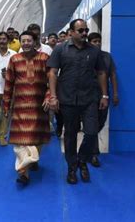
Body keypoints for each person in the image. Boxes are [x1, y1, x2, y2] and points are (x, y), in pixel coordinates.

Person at [48, 19, 108, 184]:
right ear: (71, 32)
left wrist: (104, 96)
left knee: (91, 132)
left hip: (89, 99)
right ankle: (72, 167)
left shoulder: (94, 51)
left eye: (86, 30)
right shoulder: (60, 49)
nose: (84, 33)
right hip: (67, 99)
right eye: (80, 31)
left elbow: (102, 73)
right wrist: (53, 96)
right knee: (70, 135)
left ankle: (82, 160)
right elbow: (52, 73)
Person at [3, 31, 51, 185]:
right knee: (21, 141)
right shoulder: (14, 59)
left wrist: (49, 96)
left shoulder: (44, 58)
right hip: (20, 106)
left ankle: (33, 159)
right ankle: (24, 172)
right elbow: (9, 83)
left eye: (28, 41)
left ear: (35, 41)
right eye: (23, 41)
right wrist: (6, 104)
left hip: (39, 106)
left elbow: (52, 81)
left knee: (37, 137)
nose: (25, 44)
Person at [87, 32, 120, 167]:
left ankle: (88, 141)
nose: (97, 43)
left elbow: (112, 75)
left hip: (103, 94)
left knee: (100, 122)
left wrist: (115, 94)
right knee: (93, 123)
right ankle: (94, 153)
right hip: (88, 95)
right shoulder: (86, 56)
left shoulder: (107, 57)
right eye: (94, 41)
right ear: (89, 42)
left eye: (99, 41)